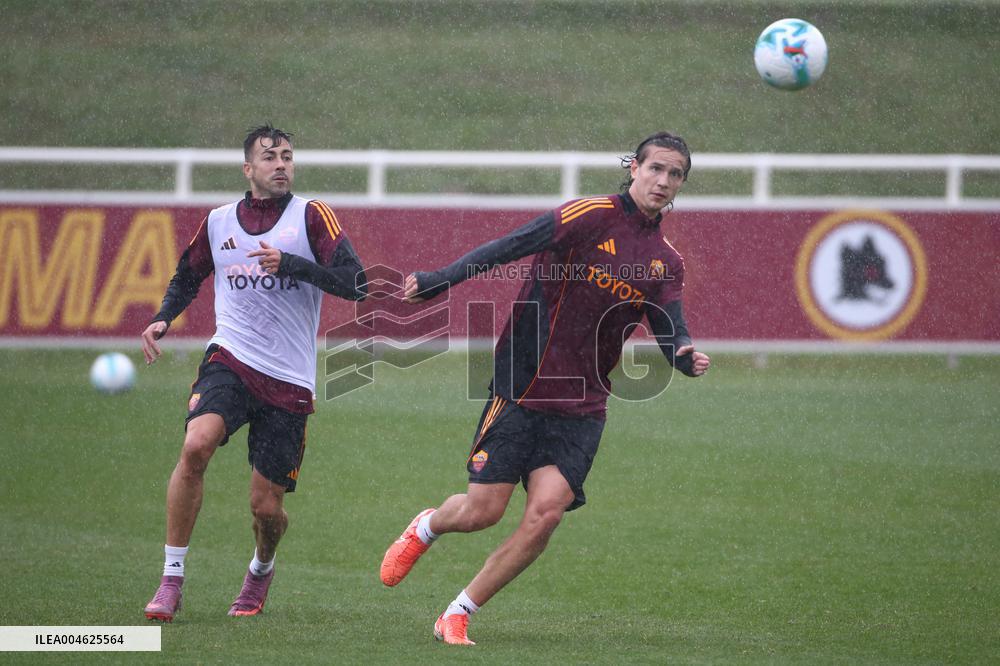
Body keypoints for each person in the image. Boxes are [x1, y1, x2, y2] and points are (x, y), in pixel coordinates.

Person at [379, 131, 710, 645]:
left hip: (583, 404)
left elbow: (670, 325)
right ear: (634, 169)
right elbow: (514, 244)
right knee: (482, 512)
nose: (664, 181)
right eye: (656, 169)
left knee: (546, 514)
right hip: (522, 384)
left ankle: (458, 612)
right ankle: (428, 526)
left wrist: (684, 355)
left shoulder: (666, 260)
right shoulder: (589, 216)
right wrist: (443, 277)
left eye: (675, 175)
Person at [141, 124, 367, 622]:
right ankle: (171, 578)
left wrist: (292, 264)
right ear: (249, 169)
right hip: (231, 358)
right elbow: (189, 272)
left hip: (289, 381)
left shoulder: (311, 216)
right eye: (269, 157)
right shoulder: (220, 222)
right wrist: (164, 315)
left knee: (266, 509)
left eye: (287, 155)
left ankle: (261, 568)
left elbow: (356, 284)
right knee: (196, 445)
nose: (281, 164)